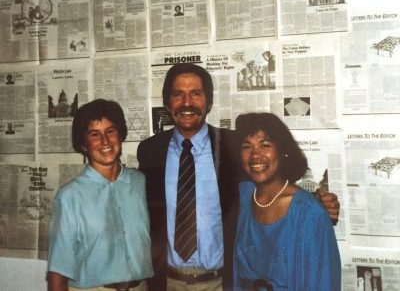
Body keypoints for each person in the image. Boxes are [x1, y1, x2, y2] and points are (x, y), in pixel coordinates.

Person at [137, 63, 340, 291]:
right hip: (166, 283)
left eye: (196, 94)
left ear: (209, 101)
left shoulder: (234, 145)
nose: (187, 103)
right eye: (178, 94)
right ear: (167, 102)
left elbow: (269, 183)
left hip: (221, 283)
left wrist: (317, 201)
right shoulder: (150, 151)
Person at [47, 99, 153, 291]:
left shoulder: (140, 183)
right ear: (83, 144)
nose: (105, 141)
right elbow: (58, 271)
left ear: (120, 135)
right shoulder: (70, 196)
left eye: (110, 131)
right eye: (94, 134)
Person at [233, 112, 341, 290]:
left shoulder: (310, 214)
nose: (255, 155)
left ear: (283, 152)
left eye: (265, 145)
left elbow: (324, 283)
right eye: (246, 146)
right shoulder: (241, 198)